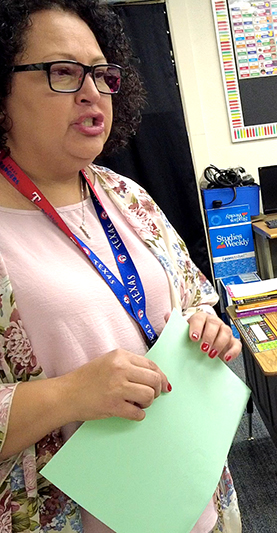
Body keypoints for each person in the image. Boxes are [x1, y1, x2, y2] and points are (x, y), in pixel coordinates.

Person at [0, 1, 242, 531]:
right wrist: (70, 394)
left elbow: (193, 299)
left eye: (102, 75)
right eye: (63, 72)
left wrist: (208, 328)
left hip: (190, 488)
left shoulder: (125, 196)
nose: (92, 93)